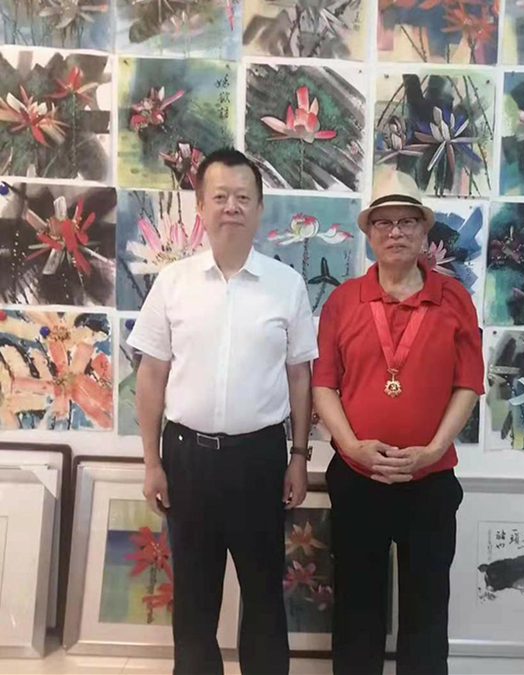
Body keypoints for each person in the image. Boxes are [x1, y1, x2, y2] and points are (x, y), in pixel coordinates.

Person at [128, 148, 318, 675]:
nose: (231, 207)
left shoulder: (286, 285)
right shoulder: (173, 282)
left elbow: (300, 376)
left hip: (260, 459)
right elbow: (151, 374)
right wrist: (151, 462)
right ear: (201, 207)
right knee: (194, 598)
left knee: (263, 595)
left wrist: (299, 456)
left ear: (259, 208)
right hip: (186, 458)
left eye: (242, 197)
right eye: (220, 197)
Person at [312, 194, 484, 675]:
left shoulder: (454, 298)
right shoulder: (344, 300)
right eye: (383, 223)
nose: (395, 232)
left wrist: (433, 450)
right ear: (369, 235)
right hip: (357, 477)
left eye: (407, 222)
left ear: (424, 233)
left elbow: (469, 383)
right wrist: (351, 447)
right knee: (356, 607)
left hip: (430, 481)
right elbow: (323, 385)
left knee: (426, 608)